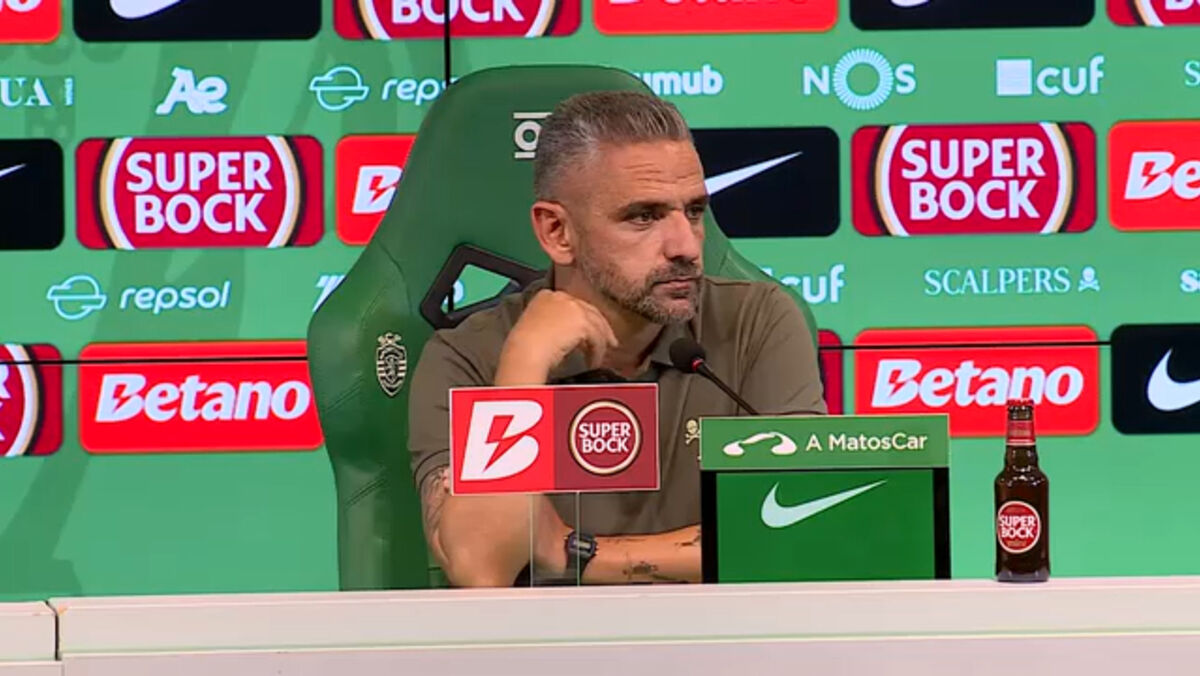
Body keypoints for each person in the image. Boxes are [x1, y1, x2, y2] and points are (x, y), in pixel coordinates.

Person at [407, 90, 827, 588]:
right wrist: (523, 367)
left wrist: (574, 553)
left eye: (694, 211)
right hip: (542, 637)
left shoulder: (756, 322)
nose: (686, 246)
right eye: (643, 217)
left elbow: (799, 529)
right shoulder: (467, 358)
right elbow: (482, 569)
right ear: (558, 232)